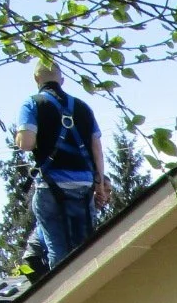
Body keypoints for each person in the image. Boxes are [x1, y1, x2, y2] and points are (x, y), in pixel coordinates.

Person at [14, 60, 111, 268]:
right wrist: (100, 183)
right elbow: (97, 149)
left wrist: (20, 136)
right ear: (62, 80)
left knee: (58, 250)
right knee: (86, 250)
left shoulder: (32, 104)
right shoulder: (83, 107)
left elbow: (27, 144)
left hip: (51, 187)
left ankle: (39, 259)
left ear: (36, 79)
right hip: (84, 188)